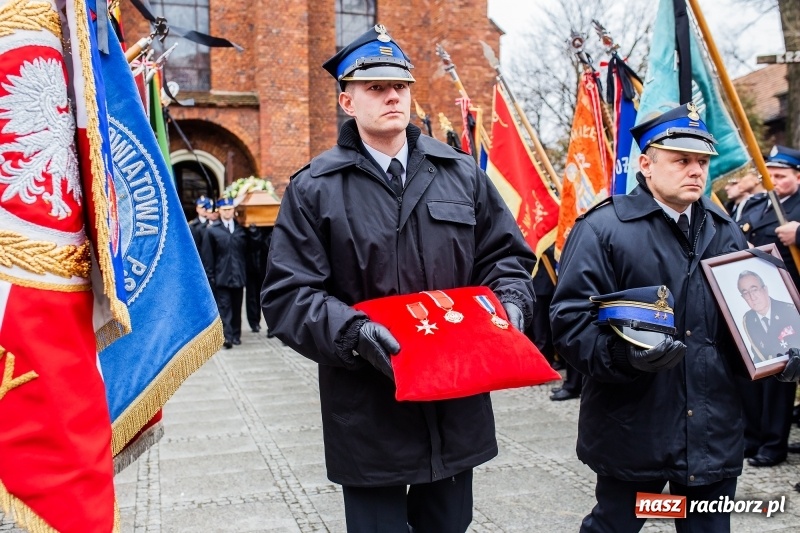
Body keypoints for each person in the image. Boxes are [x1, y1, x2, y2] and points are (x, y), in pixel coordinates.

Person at [261, 24, 535, 533]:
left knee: (449, 525)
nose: (393, 96)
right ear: (347, 102)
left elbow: (504, 257)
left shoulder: (461, 173)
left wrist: (512, 302)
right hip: (370, 406)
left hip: (455, 401)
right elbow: (287, 295)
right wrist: (352, 332)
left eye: (401, 86)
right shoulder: (315, 188)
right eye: (376, 87)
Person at [551, 102, 800, 532]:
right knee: (615, 526)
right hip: (634, 426)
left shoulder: (724, 230)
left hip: (711, 430)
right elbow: (570, 321)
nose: (695, 171)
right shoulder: (604, 229)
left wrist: (780, 352)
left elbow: (741, 323)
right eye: (681, 160)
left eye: (702, 162)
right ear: (646, 165)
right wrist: (622, 355)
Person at [736, 145, 800, 466]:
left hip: (790, 303)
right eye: (769, 175)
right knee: (753, 371)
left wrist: (799, 234)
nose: (773, 180)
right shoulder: (758, 204)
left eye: (781, 175)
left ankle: (774, 444)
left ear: (798, 176)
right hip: (757, 300)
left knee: (780, 376)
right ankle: (752, 437)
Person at [201, 197, 249, 349]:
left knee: (237, 306)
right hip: (221, 275)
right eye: (225, 210)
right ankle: (227, 336)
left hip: (238, 275)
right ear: (220, 211)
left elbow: (248, 252)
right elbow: (208, 256)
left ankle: (236, 335)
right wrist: (210, 276)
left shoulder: (241, 229)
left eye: (230, 209)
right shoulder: (212, 230)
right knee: (224, 307)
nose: (228, 212)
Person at [737, 270, 800, 363]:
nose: (752, 297)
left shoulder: (791, 311)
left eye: (754, 290)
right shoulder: (748, 320)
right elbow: (759, 357)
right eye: (746, 293)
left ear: (765, 289)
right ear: (743, 297)